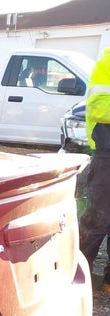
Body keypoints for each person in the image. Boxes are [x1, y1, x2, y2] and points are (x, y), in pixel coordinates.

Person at [80, 47, 110, 293]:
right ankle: (80, 275)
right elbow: (99, 107)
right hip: (107, 152)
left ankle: (108, 281)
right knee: (97, 219)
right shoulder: (107, 63)